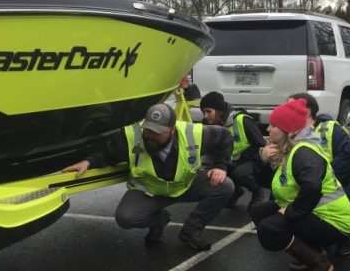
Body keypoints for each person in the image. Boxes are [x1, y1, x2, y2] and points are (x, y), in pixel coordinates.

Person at [63, 103, 234, 252]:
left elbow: (224, 136)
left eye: (157, 132)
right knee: (125, 218)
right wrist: (88, 162)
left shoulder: (193, 134)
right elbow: (108, 152)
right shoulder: (132, 136)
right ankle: (159, 220)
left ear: (172, 130)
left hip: (185, 186)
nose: (150, 136)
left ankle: (191, 231)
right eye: (148, 129)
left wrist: (220, 166)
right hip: (149, 191)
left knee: (225, 186)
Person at [249, 98, 350, 271]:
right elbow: (265, 183)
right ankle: (310, 252)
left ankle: (320, 264)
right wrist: (262, 159)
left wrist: (290, 212)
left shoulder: (304, 152)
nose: (268, 130)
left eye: (273, 125)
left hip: (333, 220)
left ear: (289, 131)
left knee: (269, 228)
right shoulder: (289, 148)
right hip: (314, 211)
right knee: (259, 212)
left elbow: (312, 188)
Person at [287, 92, 350, 233]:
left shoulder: (330, 129)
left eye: (290, 107)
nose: (285, 112)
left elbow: (349, 162)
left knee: (310, 202)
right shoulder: (291, 135)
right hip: (320, 187)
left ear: (306, 112)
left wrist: (318, 184)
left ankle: (345, 233)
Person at [200, 91, 267, 211]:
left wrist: (241, 158)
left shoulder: (241, 120)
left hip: (251, 160)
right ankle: (234, 192)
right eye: (203, 112)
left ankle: (258, 192)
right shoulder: (209, 125)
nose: (205, 116)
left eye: (208, 111)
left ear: (219, 110)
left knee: (239, 173)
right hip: (228, 161)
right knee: (213, 173)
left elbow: (261, 144)